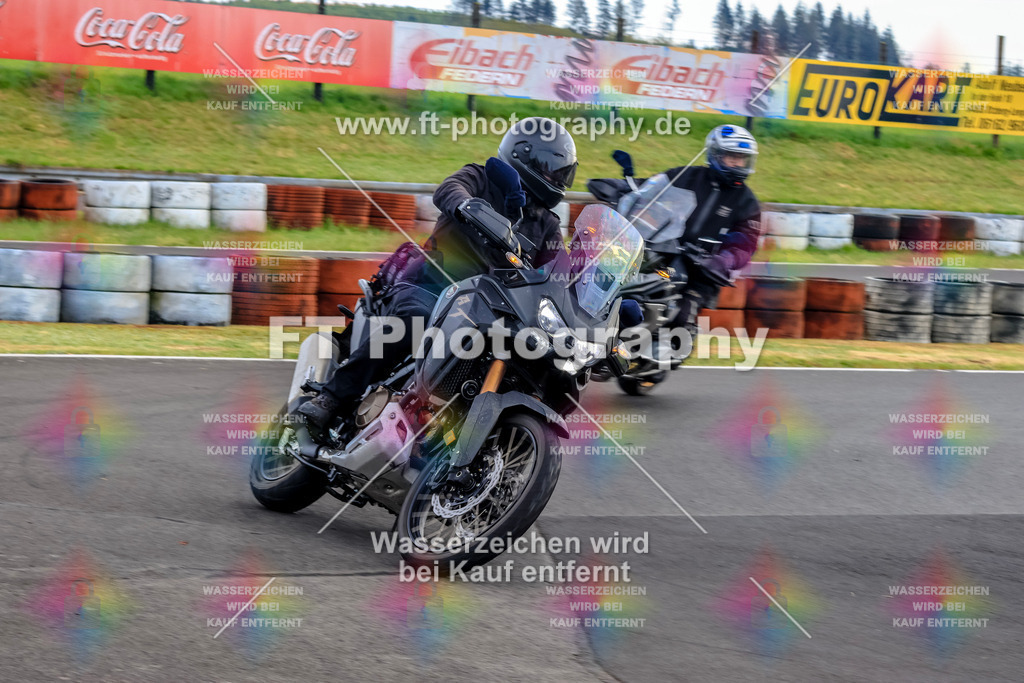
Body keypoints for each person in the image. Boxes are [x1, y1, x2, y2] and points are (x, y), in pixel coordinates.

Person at [297, 117, 578, 437]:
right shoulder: (482, 177)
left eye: (562, 173)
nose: (558, 179)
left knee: (540, 363)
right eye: (552, 170)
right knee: (414, 322)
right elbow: (449, 189)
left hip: (492, 312)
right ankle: (331, 398)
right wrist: (466, 205)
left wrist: (596, 299)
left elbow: (559, 273)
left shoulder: (546, 224)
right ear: (524, 156)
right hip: (433, 285)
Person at [662, 124, 762, 332]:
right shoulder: (688, 176)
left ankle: (677, 343)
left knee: (681, 314)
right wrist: (621, 185)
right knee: (634, 293)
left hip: (702, 270)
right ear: (715, 154)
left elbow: (746, 244)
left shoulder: (747, 201)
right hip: (664, 255)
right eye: (732, 156)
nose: (737, 163)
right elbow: (651, 189)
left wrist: (725, 259)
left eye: (742, 158)